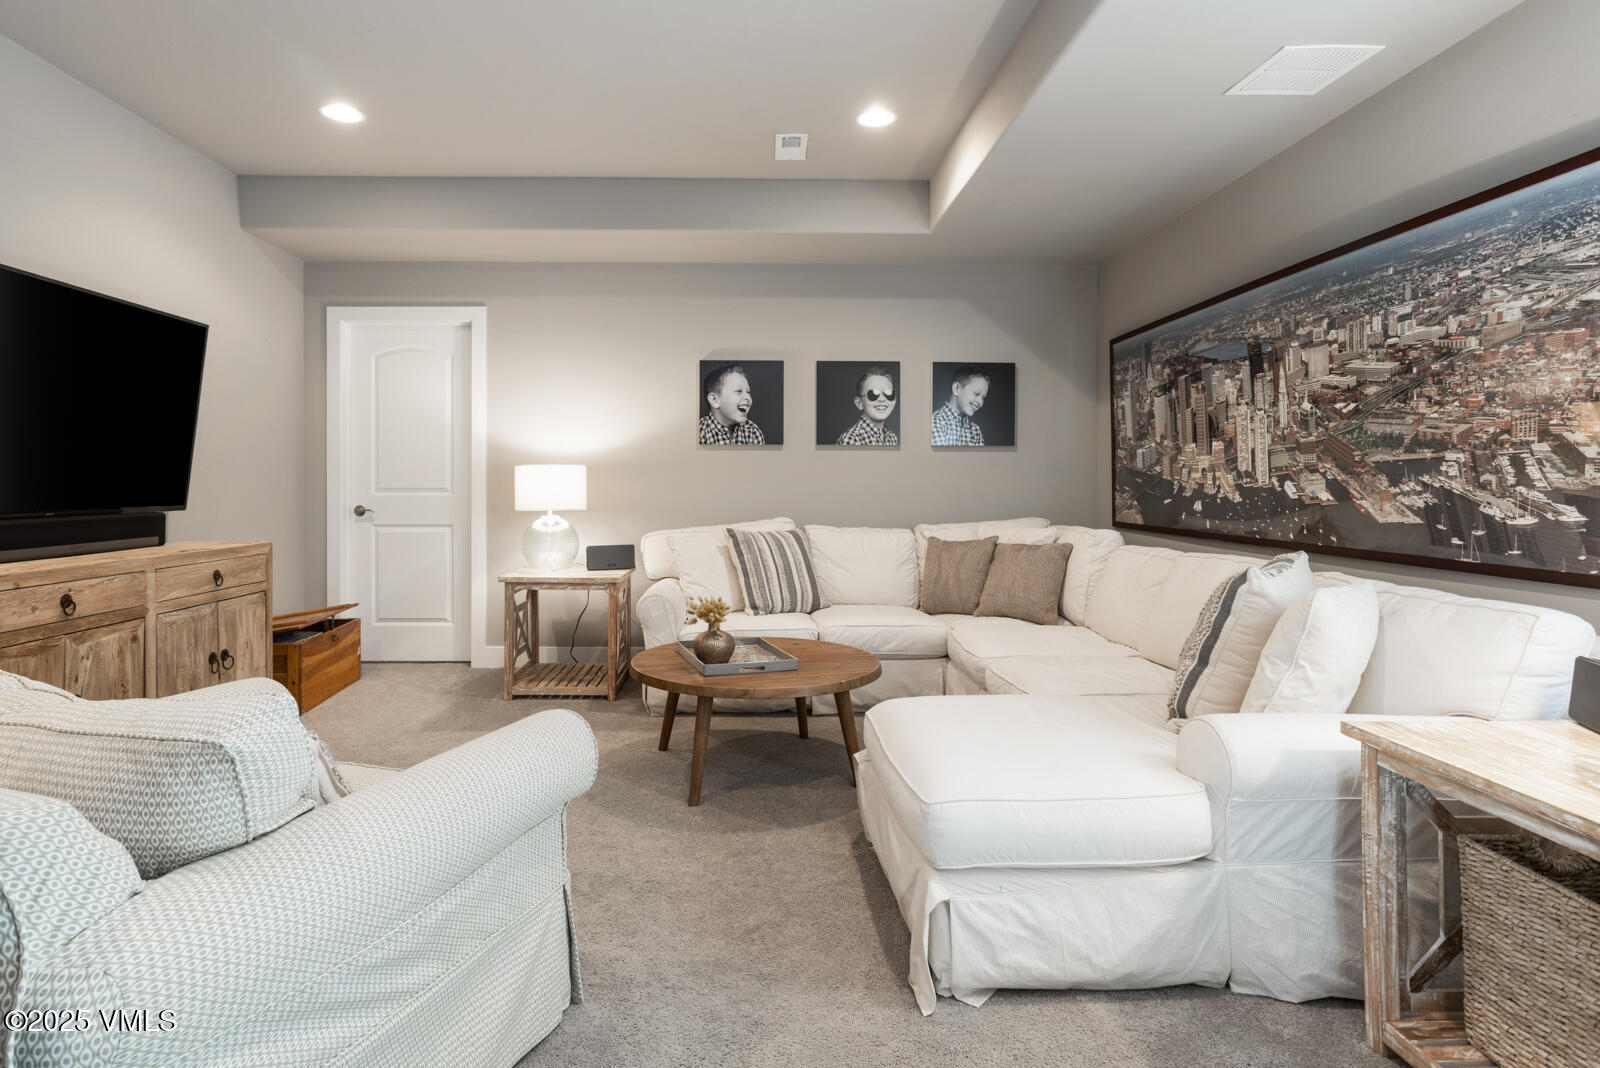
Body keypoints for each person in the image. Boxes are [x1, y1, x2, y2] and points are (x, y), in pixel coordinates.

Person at [698, 363, 765, 445]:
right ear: (715, 400)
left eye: (748, 392)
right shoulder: (700, 433)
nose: (747, 397)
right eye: (738, 391)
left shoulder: (753, 431)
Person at [835, 365, 898, 446]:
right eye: (873, 394)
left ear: (894, 401)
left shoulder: (892, 438)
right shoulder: (851, 439)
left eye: (889, 393)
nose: (882, 399)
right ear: (859, 403)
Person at [931, 365, 989, 446]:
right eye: (976, 394)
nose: (980, 402)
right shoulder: (936, 423)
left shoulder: (976, 431)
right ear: (956, 388)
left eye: (983, 398)